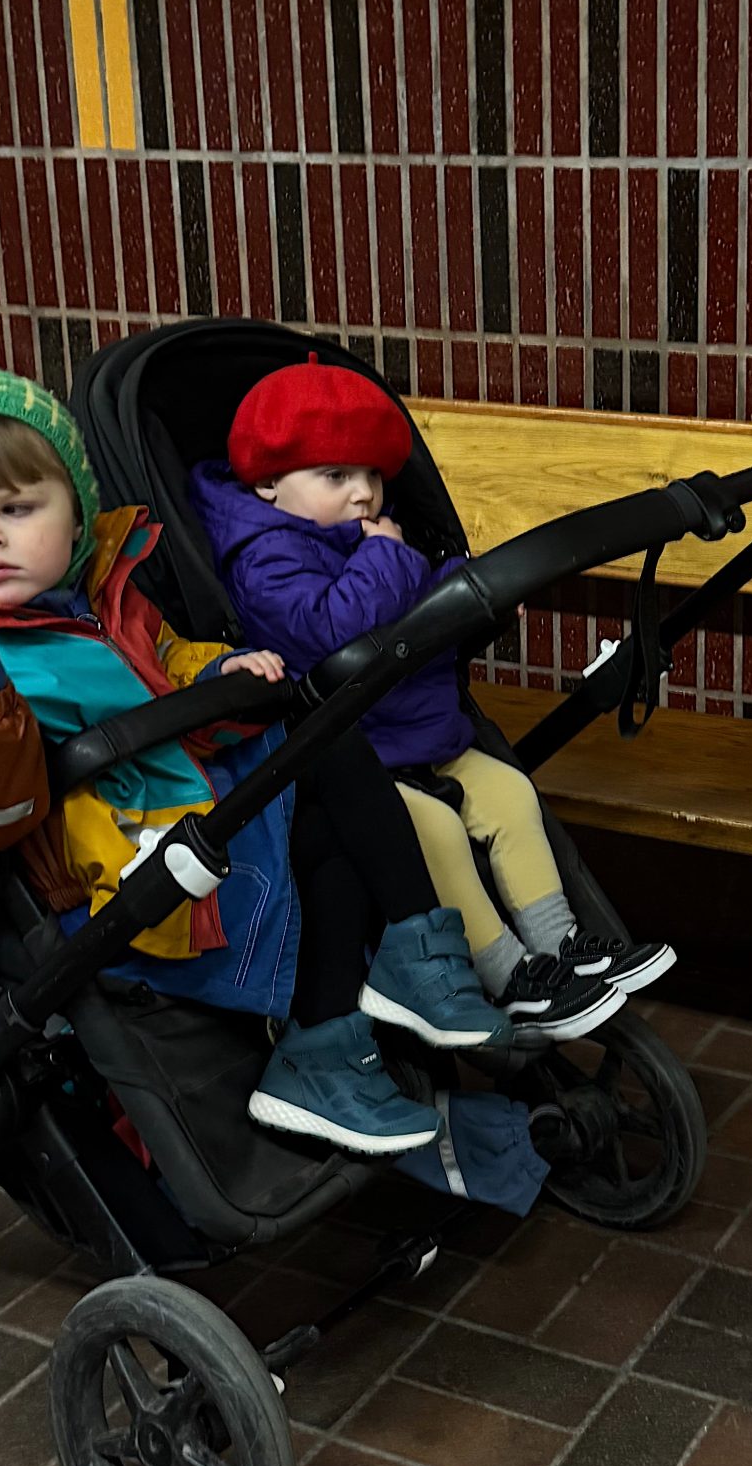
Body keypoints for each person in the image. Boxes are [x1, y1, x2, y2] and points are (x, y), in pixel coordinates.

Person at [0, 369, 513, 1158]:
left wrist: (216, 672)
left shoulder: (93, 591)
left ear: (77, 514)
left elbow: (159, 659)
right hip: (119, 881)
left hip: (185, 816)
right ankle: (386, 980)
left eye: (16, 509)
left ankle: (341, 1031)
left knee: (327, 781)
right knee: (322, 802)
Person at [192, 355, 676, 1042]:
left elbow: (417, 599)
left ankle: (560, 942)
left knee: (509, 793)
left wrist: (469, 588)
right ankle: (508, 975)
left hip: (419, 731)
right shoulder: (265, 558)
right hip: (352, 762)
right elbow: (331, 631)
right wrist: (387, 558)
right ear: (269, 483)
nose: (362, 494)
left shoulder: (369, 536)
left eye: (371, 476)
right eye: (335, 476)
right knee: (440, 833)